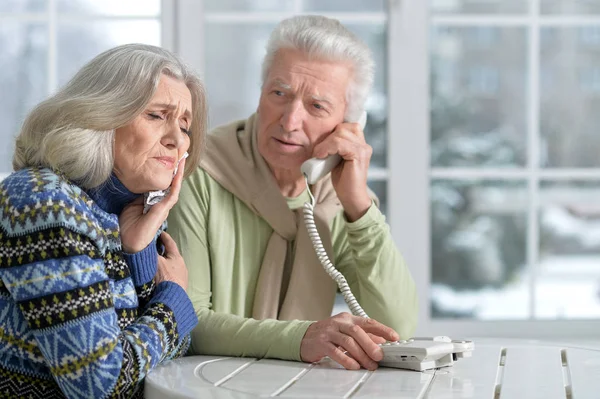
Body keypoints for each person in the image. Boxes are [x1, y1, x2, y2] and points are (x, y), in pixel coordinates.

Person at [168, 15, 418, 371]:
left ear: (349, 122)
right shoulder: (198, 169)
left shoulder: (338, 197)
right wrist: (301, 338)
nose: (289, 121)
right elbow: (186, 323)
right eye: (279, 94)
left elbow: (397, 328)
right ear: (261, 91)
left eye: (317, 106)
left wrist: (359, 206)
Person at [0, 44, 206, 398]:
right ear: (102, 117)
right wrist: (174, 299)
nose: (177, 140)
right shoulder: (42, 201)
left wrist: (136, 252)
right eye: (157, 116)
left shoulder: (136, 210)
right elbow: (100, 383)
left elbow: (167, 358)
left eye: (184, 125)